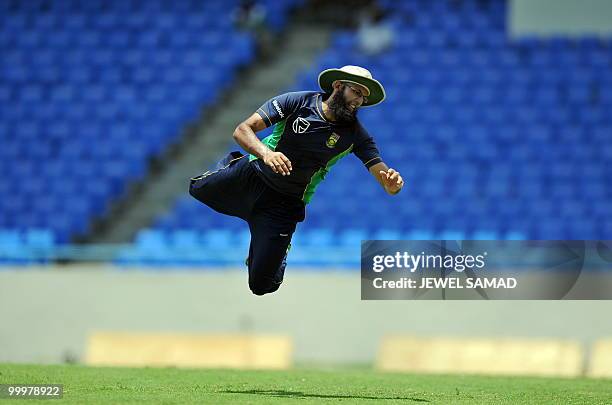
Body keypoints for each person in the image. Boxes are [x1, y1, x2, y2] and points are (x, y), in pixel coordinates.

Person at [189, 65, 404, 296]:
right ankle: (233, 162)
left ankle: (277, 255)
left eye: (363, 96)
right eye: (356, 92)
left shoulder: (357, 136)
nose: (359, 101)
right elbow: (243, 130)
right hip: (251, 175)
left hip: (284, 205)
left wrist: (391, 185)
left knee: (261, 286)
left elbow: (382, 175)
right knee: (196, 188)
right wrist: (266, 154)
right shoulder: (297, 102)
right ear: (338, 86)